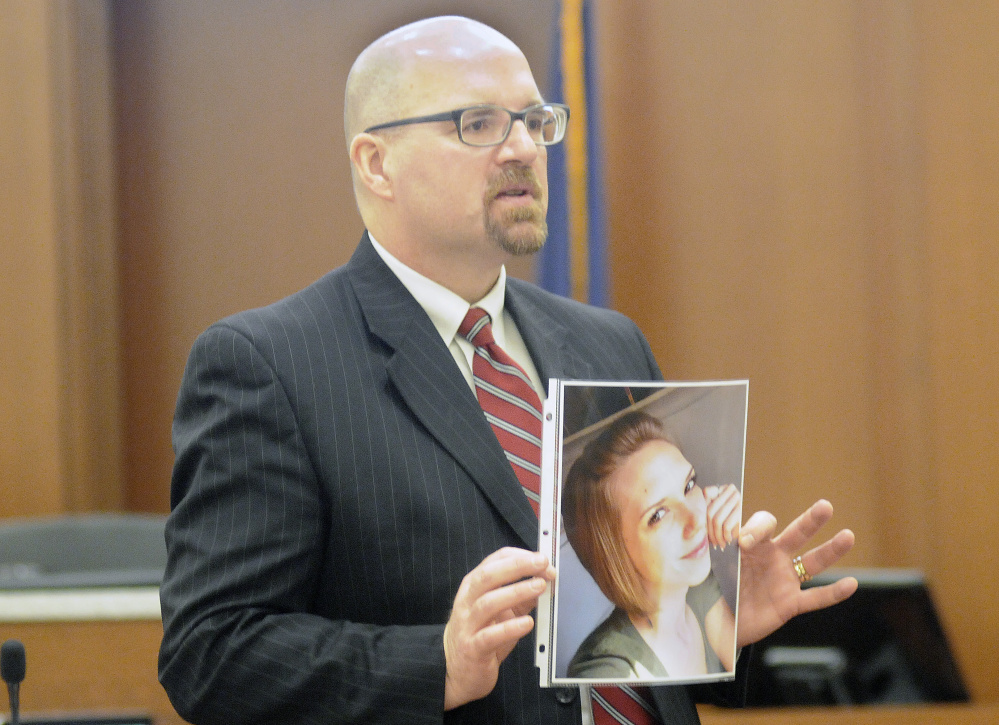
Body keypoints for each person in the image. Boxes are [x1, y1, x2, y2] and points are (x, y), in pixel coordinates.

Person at [158, 15, 858, 725]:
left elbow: (632, 638)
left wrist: (714, 626)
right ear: (376, 162)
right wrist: (437, 665)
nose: (522, 147)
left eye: (533, 120)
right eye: (478, 123)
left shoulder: (608, 343)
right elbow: (210, 652)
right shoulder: (270, 365)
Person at [562, 411, 741, 680]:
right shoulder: (604, 668)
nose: (695, 519)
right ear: (613, 556)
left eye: (689, 485)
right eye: (657, 515)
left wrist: (745, 551)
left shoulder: (699, 590)